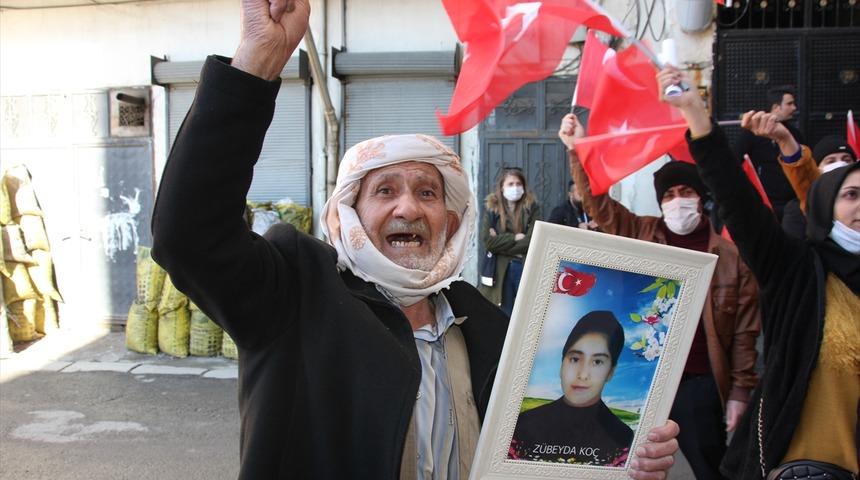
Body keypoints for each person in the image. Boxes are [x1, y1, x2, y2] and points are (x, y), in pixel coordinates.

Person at [149, 1, 681, 479]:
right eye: (385, 190)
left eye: (428, 191)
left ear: (450, 222)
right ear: (348, 216)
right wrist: (258, 61)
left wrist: (625, 462)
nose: (409, 207)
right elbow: (187, 234)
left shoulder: (488, 327)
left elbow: (542, 453)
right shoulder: (294, 291)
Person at [658, 65, 859, 480]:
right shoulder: (799, 272)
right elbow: (739, 201)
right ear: (824, 207)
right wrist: (695, 112)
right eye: (852, 195)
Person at [559, 113, 761, 480]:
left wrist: (739, 392)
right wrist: (577, 152)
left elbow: (746, 332)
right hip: (642, 380)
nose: (677, 201)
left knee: (711, 469)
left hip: (699, 384)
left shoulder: (730, 257)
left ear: (701, 200)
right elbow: (599, 205)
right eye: (669, 195)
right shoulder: (641, 232)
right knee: (627, 466)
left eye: (686, 193)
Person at [510, 311, 633, 466]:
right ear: (562, 364)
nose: (582, 374)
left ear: (610, 372)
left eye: (597, 362)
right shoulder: (522, 424)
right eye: (575, 359)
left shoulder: (623, 437)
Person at [732, 86, 805, 222]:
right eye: (789, 104)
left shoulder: (794, 134)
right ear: (776, 107)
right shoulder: (751, 133)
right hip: (764, 202)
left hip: (791, 203)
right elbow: (734, 161)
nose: (794, 108)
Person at [478, 167, 540, 317]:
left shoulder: (532, 208)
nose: (515, 188)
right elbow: (488, 241)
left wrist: (500, 242)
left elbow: (533, 240)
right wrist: (514, 237)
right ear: (502, 187)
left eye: (518, 184)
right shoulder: (491, 209)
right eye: (510, 184)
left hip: (524, 266)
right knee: (503, 315)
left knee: (525, 313)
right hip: (500, 270)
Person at [777, 133, 858, 239]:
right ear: (817, 168)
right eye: (831, 161)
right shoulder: (797, 208)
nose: (840, 164)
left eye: (846, 160)